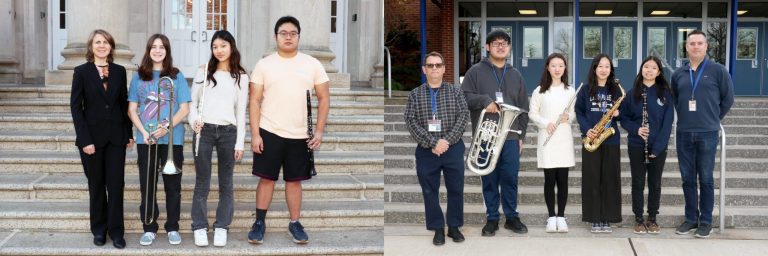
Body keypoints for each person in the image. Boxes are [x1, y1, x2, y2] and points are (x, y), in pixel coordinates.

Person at [247, 16, 330, 245]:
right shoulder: (264, 64)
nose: (288, 37)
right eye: (283, 33)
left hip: (300, 135)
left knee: (294, 181)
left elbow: (324, 98)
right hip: (269, 131)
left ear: (299, 37)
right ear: (276, 37)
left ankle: (294, 223)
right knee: (266, 180)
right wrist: (255, 134)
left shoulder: (312, 64)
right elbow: (254, 101)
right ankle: (259, 223)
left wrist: (320, 131)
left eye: (293, 33)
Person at [461, 29, 529, 236]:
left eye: (505, 43)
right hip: (485, 137)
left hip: (509, 136)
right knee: (488, 178)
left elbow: (523, 108)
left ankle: (511, 217)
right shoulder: (475, 71)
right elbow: (463, 97)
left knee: (510, 178)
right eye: (496, 43)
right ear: (488, 47)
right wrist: (484, 101)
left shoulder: (516, 74)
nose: (501, 46)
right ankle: (492, 218)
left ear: (509, 48)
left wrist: (521, 136)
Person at [70, 29, 133, 249]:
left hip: (116, 138)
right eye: (97, 42)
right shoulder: (81, 72)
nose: (102, 45)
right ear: (91, 47)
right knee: (96, 186)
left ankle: (116, 232)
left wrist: (129, 133)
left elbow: (123, 103)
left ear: (111, 47)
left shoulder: (119, 71)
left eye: (105, 42)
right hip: (91, 141)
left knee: (116, 186)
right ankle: (99, 230)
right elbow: (76, 108)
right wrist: (84, 139)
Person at [127, 34, 190, 246]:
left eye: (161, 47)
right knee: (148, 185)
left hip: (172, 140)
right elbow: (132, 109)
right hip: (147, 139)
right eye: (153, 47)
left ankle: (172, 226)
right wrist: (144, 133)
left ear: (167, 50)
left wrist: (166, 127)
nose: (157, 50)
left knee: (173, 187)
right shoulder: (139, 76)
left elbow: (184, 108)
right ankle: (149, 227)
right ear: (148, 50)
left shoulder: (176, 75)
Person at [670, 30, 734, 238]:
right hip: (684, 133)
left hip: (708, 132)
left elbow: (728, 99)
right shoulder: (679, 73)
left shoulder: (718, 71)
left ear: (706, 46)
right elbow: (677, 100)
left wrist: (713, 119)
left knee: (705, 178)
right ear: (686, 47)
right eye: (692, 44)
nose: (695, 47)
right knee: (688, 179)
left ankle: (706, 221)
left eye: (699, 43)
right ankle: (691, 218)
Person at [188, 30, 249, 247]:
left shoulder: (241, 76)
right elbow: (191, 103)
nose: (219, 50)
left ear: (231, 47)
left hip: (228, 133)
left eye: (223, 45)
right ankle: (199, 226)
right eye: (215, 46)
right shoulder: (203, 71)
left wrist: (240, 142)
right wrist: (194, 120)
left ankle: (222, 226)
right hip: (203, 131)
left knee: (226, 183)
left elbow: (241, 112)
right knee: (202, 182)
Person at [404, 52, 470, 245]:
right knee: (429, 191)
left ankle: (454, 227)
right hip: (426, 151)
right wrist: (433, 143)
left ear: (443, 69)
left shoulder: (456, 92)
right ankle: (438, 229)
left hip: (453, 148)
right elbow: (410, 120)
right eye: (430, 65)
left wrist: (446, 141)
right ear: (424, 69)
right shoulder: (415, 94)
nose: (434, 68)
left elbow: (463, 116)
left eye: (438, 65)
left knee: (456, 189)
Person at [619, 56, 674, 234]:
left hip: (658, 145)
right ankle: (638, 218)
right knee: (637, 182)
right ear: (641, 69)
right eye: (646, 67)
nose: (649, 70)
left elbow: (667, 123)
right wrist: (636, 129)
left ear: (659, 72)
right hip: (636, 144)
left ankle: (652, 218)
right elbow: (624, 118)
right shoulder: (631, 93)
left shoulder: (665, 93)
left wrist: (658, 148)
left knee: (655, 183)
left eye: (653, 68)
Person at [575, 53, 623, 233]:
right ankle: (594, 218)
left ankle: (608, 218)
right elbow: (579, 112)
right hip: (592, 138)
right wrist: (587, 129)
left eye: (607, 66)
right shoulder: (586, 89)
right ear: (595, 68)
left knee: (610, 180)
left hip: (611, 139)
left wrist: (619, 115)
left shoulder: (616, 90)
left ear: (611, 70)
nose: (603, 70)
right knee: (592, 179)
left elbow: (624, 112)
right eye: (600, 66)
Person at [528, 53, 575, 233]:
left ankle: (561, 217)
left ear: (564, 68)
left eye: (561, 65)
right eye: (553, 65)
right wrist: (545, 123)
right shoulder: (539, 90)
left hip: (563, 137)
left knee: (563, 179)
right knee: (549, 179)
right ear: (548, 67)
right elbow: (533, 113)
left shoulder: (570, 91)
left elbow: (573, 114)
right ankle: (551, 217)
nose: (557, 69)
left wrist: (567, 117)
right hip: (547, 138)